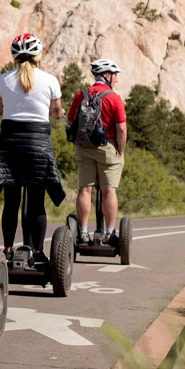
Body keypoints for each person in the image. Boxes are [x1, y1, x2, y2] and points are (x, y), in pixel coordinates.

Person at [0, 33, 66, 264]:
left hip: (10, 143)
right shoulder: (50, 80)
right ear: (38, 55)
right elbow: (56, 111)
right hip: (38, 143)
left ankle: (8, 249)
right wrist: (59, 114)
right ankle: (38, 253)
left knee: (11, 201)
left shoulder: (3, 80)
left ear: (15, 56)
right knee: (37, 201)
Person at [67, 59, 127, 246]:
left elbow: (70, 123)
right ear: (107, 75)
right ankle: (109, 233)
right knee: (109, 190)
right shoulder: (114, 98)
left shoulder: (81, 94)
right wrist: (121, 150)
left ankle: (83, 232)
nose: (116, 79)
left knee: (85, 189)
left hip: (84, 148)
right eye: (115, 75)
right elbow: (122, 129)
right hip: (107, 147)